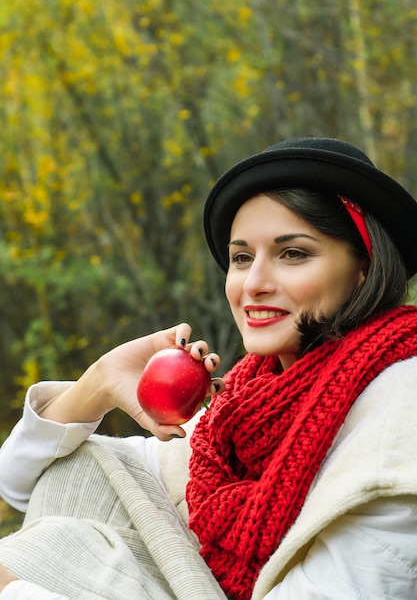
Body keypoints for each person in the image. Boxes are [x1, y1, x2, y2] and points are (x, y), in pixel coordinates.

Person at [1, 136, 417, 599]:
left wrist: (19, 590)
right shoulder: (248, 405)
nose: (253, 283)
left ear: (364, 267)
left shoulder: (400, 411)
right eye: (242, 257)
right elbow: (28, 482)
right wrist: (99, 380)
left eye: (292, 253)